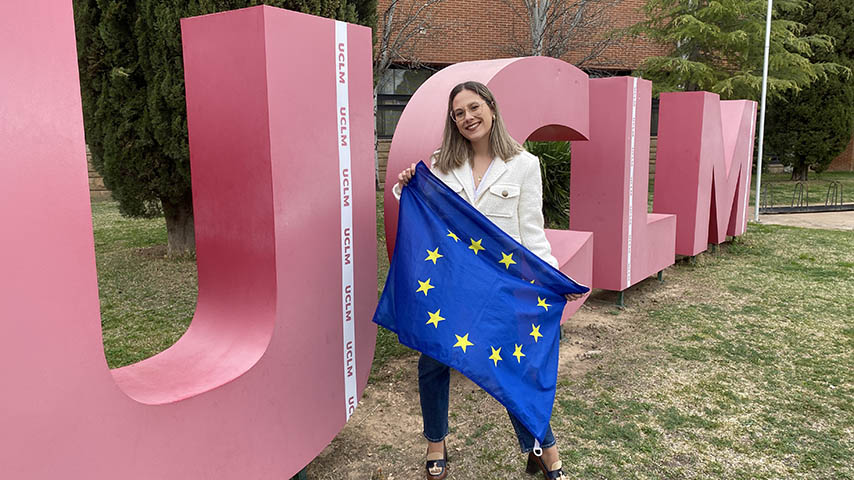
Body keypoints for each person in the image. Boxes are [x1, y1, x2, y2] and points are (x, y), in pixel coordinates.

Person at [394, 81, 578, 480]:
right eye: (458, 113)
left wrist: (551, 279)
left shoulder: (525, 165)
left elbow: (531, 233)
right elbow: (429, 215)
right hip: (452, 288)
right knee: (433, 362)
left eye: (473, 108)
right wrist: (407, 184)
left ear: (491, 109)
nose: (467, 118)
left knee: (514, 368)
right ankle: (436, 442)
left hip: (502, 289)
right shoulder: (442, 162)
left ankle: (544, 450)